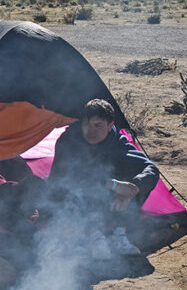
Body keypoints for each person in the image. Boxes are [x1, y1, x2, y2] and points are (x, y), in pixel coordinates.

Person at [41, 98, 159, 258]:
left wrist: (134, 187)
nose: (91, 131)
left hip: (105, 200)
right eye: (87, 125)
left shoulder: (118, 143)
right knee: (78, 188)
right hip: (68, 200)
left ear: (110, 126)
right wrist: (113, 184)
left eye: (98, 126)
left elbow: (151, 169)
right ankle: (93, 237)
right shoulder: (69, 141)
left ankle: (118, 235)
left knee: (136, 183)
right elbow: (70, 177)